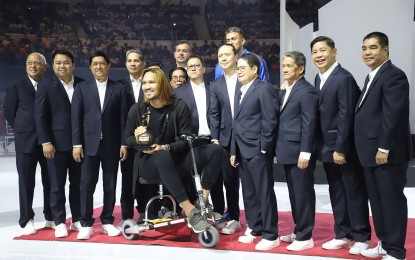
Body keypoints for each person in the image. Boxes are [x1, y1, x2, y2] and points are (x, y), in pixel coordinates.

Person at [124, 67, 223, 233]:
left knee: (215, 150)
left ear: (162, 83)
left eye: (151, 82)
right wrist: (136, 137)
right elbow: (127, 138)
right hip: (149, 164)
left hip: (176, 159)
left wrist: (166, 147)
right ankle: (191, 211)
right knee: (162, 155)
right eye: (144, 83)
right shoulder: (138, 109)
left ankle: (202, 200)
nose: (146, 86)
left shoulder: (178, 106)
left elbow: (186, 139)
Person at [310, 36, 372, 254]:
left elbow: (347, 115)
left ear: (334, 52)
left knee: (354, 191)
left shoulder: (343, 78)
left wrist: (340, 148)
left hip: (342, 148)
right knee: (337, 192)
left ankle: (362, 236)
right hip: (326, 149)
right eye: (315, 52)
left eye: (323, 50)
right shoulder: (319, 79)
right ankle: (342, 233)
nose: (318, 55)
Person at [356, 32, 411, 260]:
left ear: (385, 50)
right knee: (378, 203)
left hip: (386, 154)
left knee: (391, 202)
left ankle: (396, 251)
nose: (367, 52)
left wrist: (384, 148)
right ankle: (386, 244)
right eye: (364, 48)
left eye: (373, 47)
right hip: (369, 153)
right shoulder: (372, 77)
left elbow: (392, 115)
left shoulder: (394, 75)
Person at [71, 51, 128, 240]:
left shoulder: (118, 88)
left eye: (102, 63)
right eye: (94, 64)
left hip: (112, 145)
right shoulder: (82, 88)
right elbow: (76, 118)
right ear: (90, 67)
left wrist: (123, 144)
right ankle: (86, 223)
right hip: (88, 145)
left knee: (110, 184)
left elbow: (123, 120)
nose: (98, 67)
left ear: (108, 65)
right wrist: (77, 143)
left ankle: (107, 222)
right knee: (86, 184)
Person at [230, 53, 279, 251]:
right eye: (238, 68)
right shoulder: (240, 90)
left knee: (264, 192)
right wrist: (234, 149)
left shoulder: (264, 89)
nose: (239, 71)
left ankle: (271, 233)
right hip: (242, 150)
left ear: (254, 70)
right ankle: (255, 227)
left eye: (242, 67)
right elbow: (237, 122)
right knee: (249, 193)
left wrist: (263, 147)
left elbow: (270, 121)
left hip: (258, 150)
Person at [34, 50, 84, 238]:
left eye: (66, 62)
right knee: (56, 185)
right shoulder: (45, 86)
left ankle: (77, 219)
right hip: (55, 145)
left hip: (79, 145)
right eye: (58, 63)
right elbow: (40, 116)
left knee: (78, 184)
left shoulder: (82, 84)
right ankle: (60, 221)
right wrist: (45, 141)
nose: (62, 66)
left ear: (73, 64)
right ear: (53, 66)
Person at [4, 52, 53, 235]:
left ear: (45, 67)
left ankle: (50, 217)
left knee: (51, 181)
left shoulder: (50, 85)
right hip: (26, 142)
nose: (32, 66)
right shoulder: (16, 86)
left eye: (37, 63)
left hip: (49, 142)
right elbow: (9, 113)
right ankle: (27, 219)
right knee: (26, 182)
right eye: (29, 63)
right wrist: (23, 129)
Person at [276, 51, 318, 252]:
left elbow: (309, 124)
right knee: (294, 194)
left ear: (300, 69)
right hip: (287, 150)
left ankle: (305, 235)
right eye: (283, 65)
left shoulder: (307, 91)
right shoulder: (287, 89)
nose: (284, 69)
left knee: (303, 194)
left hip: (299, 152)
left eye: (289, 66)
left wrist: (305, 152)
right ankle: (299, 229)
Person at [173, 55, 223, 220]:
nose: (194, 68)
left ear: (203, 69)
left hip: (212, 139)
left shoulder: (214, 88)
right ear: (187, 71)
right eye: (190, 66)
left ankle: (219, 213)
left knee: (216, 180)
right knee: (192, 180)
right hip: (190, 142)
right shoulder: (178, 92)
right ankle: (194, 213)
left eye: (197, 65)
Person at [117, 49, 158, 225]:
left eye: (136, 61)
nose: (133, 63)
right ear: (125, 64)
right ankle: (126, 215)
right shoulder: (119, 86)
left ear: (144, 63)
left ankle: (146, 211)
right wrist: (123, 143)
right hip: (128, 142)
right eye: (130, 61)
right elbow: (118, 118)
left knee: (148, 178)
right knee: (127, 179)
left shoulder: (152, 84)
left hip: (149, 141)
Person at [209, 44, 241, 235]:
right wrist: (214, 138)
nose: (223, 57)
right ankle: (226, 215)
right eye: (220, 54)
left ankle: (241, 217)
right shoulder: (216, 84)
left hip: (246, 136)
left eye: (227, 54)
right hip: (224, 139)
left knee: (244, 181)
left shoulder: (245, 78)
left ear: (236, 56)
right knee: (226, 180)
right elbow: (215, 114)